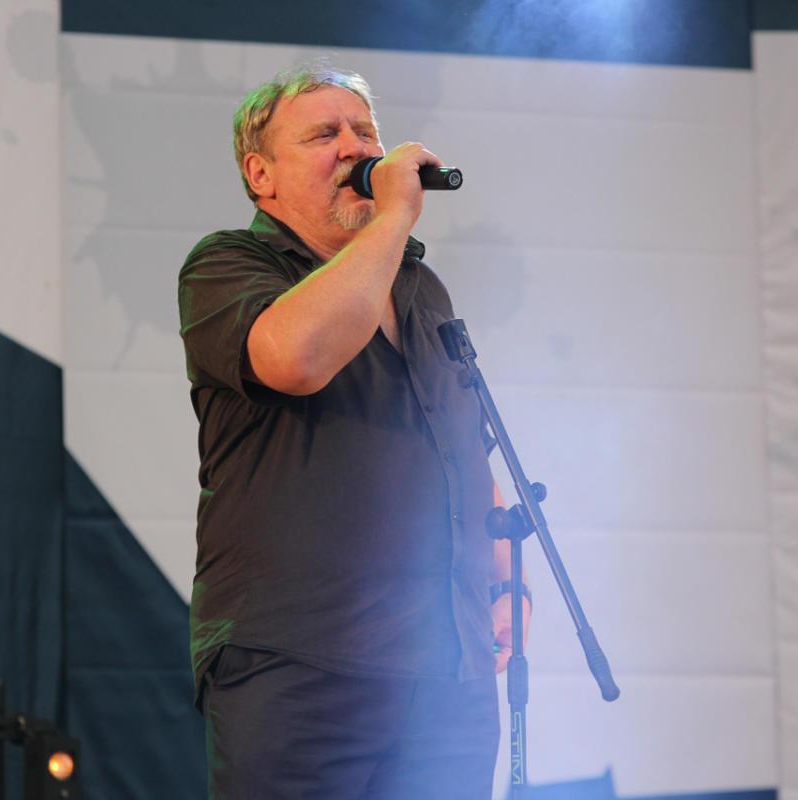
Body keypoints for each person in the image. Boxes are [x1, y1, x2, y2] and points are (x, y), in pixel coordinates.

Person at [177, 65, 530, 799]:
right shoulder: (228, 264)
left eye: (365, 131)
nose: (356, 148)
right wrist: (394, 218)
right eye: (324, 135)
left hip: (446, 669)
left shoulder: (420, 290)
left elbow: (461, 446)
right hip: (300, 662)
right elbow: (296, 359)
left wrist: (503, 583)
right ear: (261, 174)